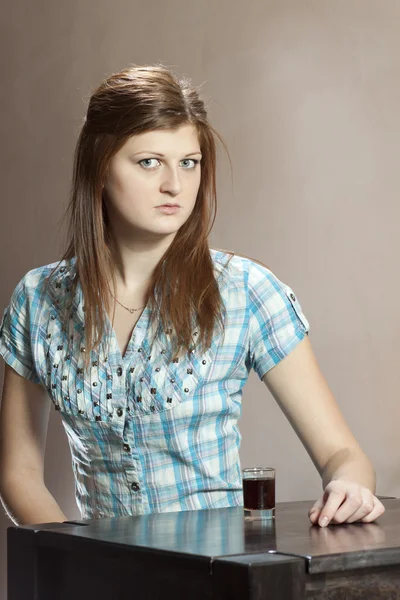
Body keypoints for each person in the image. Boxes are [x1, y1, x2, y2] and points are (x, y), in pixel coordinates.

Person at [0, 64, 384, 527]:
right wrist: (77, 561)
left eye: (189, 162)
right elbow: (18, 474)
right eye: (149, 162)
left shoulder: (245, 291)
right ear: (99, 168)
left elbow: (344, 455)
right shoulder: (39, 299)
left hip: (217, 577)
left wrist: (349, 485)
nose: (175, 186)